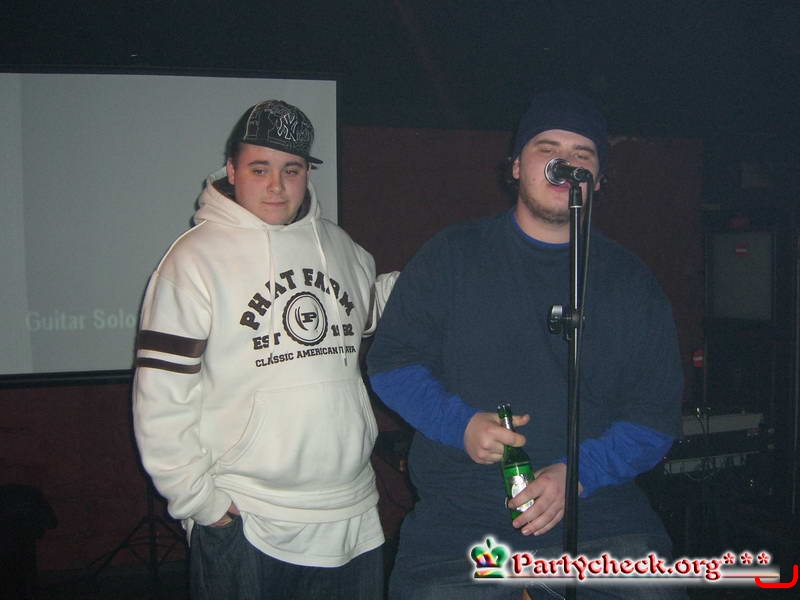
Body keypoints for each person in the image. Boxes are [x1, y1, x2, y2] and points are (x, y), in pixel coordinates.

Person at [367, 90, 686, 599]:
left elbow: (656, 416)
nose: (566, 162)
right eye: (547, 148)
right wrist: (460, 424)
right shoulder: (453, 255)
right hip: (463, 519)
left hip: (599, 514)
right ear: (516, 166)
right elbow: (391, 362)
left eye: (582, 154)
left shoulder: (631, 282)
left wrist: (578, 474)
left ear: (598, 178)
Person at [133, 99, 397, 599]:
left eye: (291, 169)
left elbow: (373, 311)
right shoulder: (192, 261)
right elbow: (161, 400)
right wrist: (201, 503)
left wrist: (439, 277)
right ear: (232, 171)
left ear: (306, 174)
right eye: (260, 169)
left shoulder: (341, 248)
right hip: (250, 517)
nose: (277, 185)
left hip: (351, 512)